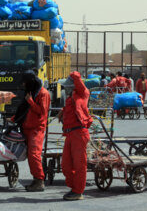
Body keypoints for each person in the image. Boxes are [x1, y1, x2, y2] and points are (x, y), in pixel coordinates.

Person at [9, 70, 50, 192]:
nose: (23, 85)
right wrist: (12, 119)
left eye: (25, 83)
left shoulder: (43, 93)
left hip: (36, 129)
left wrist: (31, 101)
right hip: (26, 128)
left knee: (34, 155)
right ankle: (36, 180)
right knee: (29, 155)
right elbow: (24, 111)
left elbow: (42, 113)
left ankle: (39, 181)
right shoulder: (31, 92)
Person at [58, 71, 92, 201]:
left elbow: (77, 80)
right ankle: (74, 188)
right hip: (70, 134)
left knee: (79, 165)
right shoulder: (70, 98)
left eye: (68, 86)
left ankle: (78, 191)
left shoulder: (83, 93)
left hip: (79, 133)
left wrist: (72, 74)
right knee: (65, 165)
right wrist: (63, 112)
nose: (66, 88)